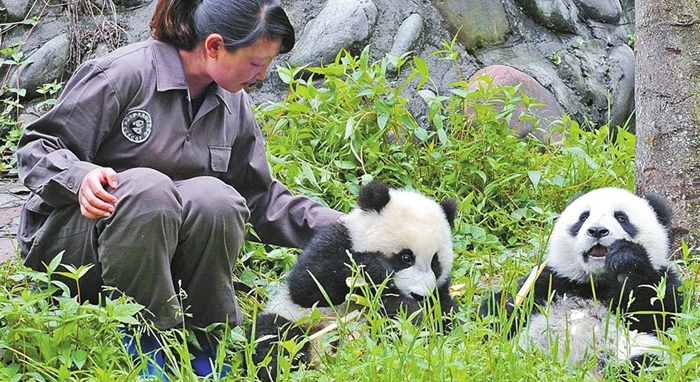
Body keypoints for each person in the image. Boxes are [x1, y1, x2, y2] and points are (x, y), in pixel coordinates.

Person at [15, 0, 342, 378]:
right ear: (215, 46)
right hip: (74, 252)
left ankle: (206, 337)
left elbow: (259, 196)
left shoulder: (234, 104)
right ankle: (144, 338)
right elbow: (36, 146)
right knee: (149, 188)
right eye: (255, 63)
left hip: (163, 260)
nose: (263, 74)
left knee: (215, 198)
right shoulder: (122, 74)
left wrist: (346, 228)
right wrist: (79, 178)